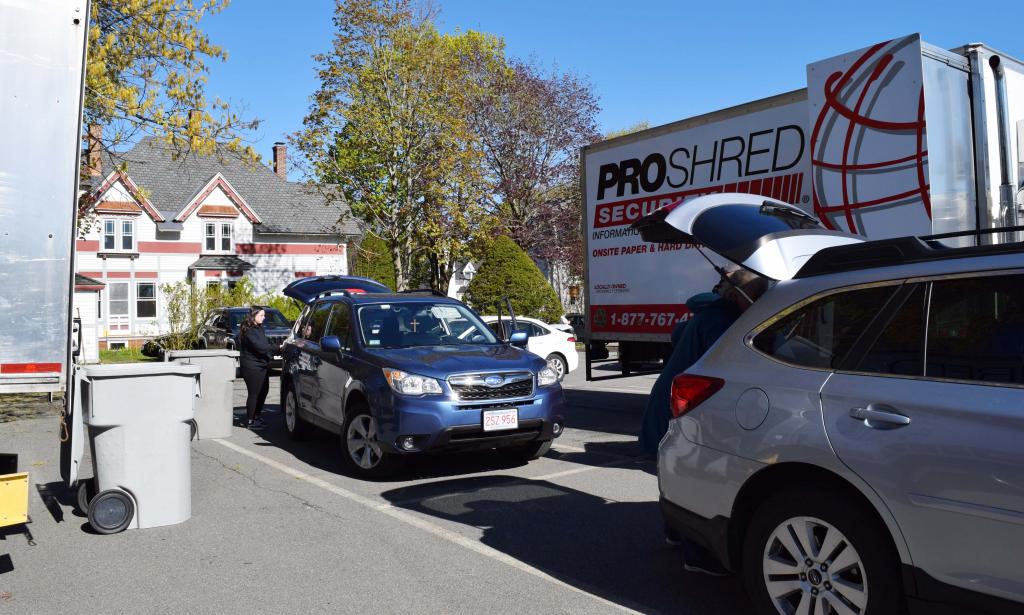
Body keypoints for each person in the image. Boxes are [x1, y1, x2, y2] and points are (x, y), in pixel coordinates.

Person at [638, 267, 770, 575]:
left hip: (671, 400)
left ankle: (674, 531)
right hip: (691, 406)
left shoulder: (706, 314)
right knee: (695, 474)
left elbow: (678, 337)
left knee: (678, 469)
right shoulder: (723, 321)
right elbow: (725, 365)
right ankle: (696, 552)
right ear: (741, 295)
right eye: (758, 296)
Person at [238, 305, 273, 431]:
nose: (264, 318)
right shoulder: (249, 331)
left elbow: (264, 345)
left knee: (264, 391)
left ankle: (256, 416)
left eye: (264, 315)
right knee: (254, 393)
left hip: (262, 365)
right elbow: (261, 347)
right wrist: (277, 349)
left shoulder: (259, 328)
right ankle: (250, 420)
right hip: (252, 367)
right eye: (261, 315)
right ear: (253, 316)